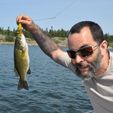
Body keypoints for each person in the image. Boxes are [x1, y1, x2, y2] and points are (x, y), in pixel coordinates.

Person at [16, 15, 113, 113]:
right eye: (72, 53)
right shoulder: (80, 65)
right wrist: (32, 27)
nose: (77, 60)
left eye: (85, 51)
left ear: (103, 47)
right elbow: (54, 52)